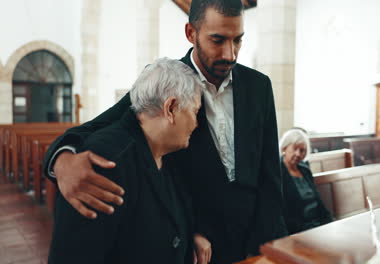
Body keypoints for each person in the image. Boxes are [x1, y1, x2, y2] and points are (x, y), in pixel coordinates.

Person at [43, 0, 287, 263]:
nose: (230, 54)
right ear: (191, 33)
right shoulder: (165, 82)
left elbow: (269, 171)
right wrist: (61, 159)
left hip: (253, 239)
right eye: (217, 40)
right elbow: (99, 126)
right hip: (197, 243)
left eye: (238, 40)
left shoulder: (259, 86)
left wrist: (269, 242)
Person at [48, 58, 202, 263]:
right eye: (195, 111)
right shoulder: (104, 163)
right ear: (171, 108)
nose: (197, 123)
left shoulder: (165, 153)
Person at [279, 129, 333, 234]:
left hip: (317, 225)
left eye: (302, 150)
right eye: (295, 149)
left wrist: (329, 223)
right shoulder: (278, 171)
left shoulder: (304, 170)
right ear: (285, 147)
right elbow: (282, 213)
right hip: (297, 230)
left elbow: (319, 202)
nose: (298, 154)